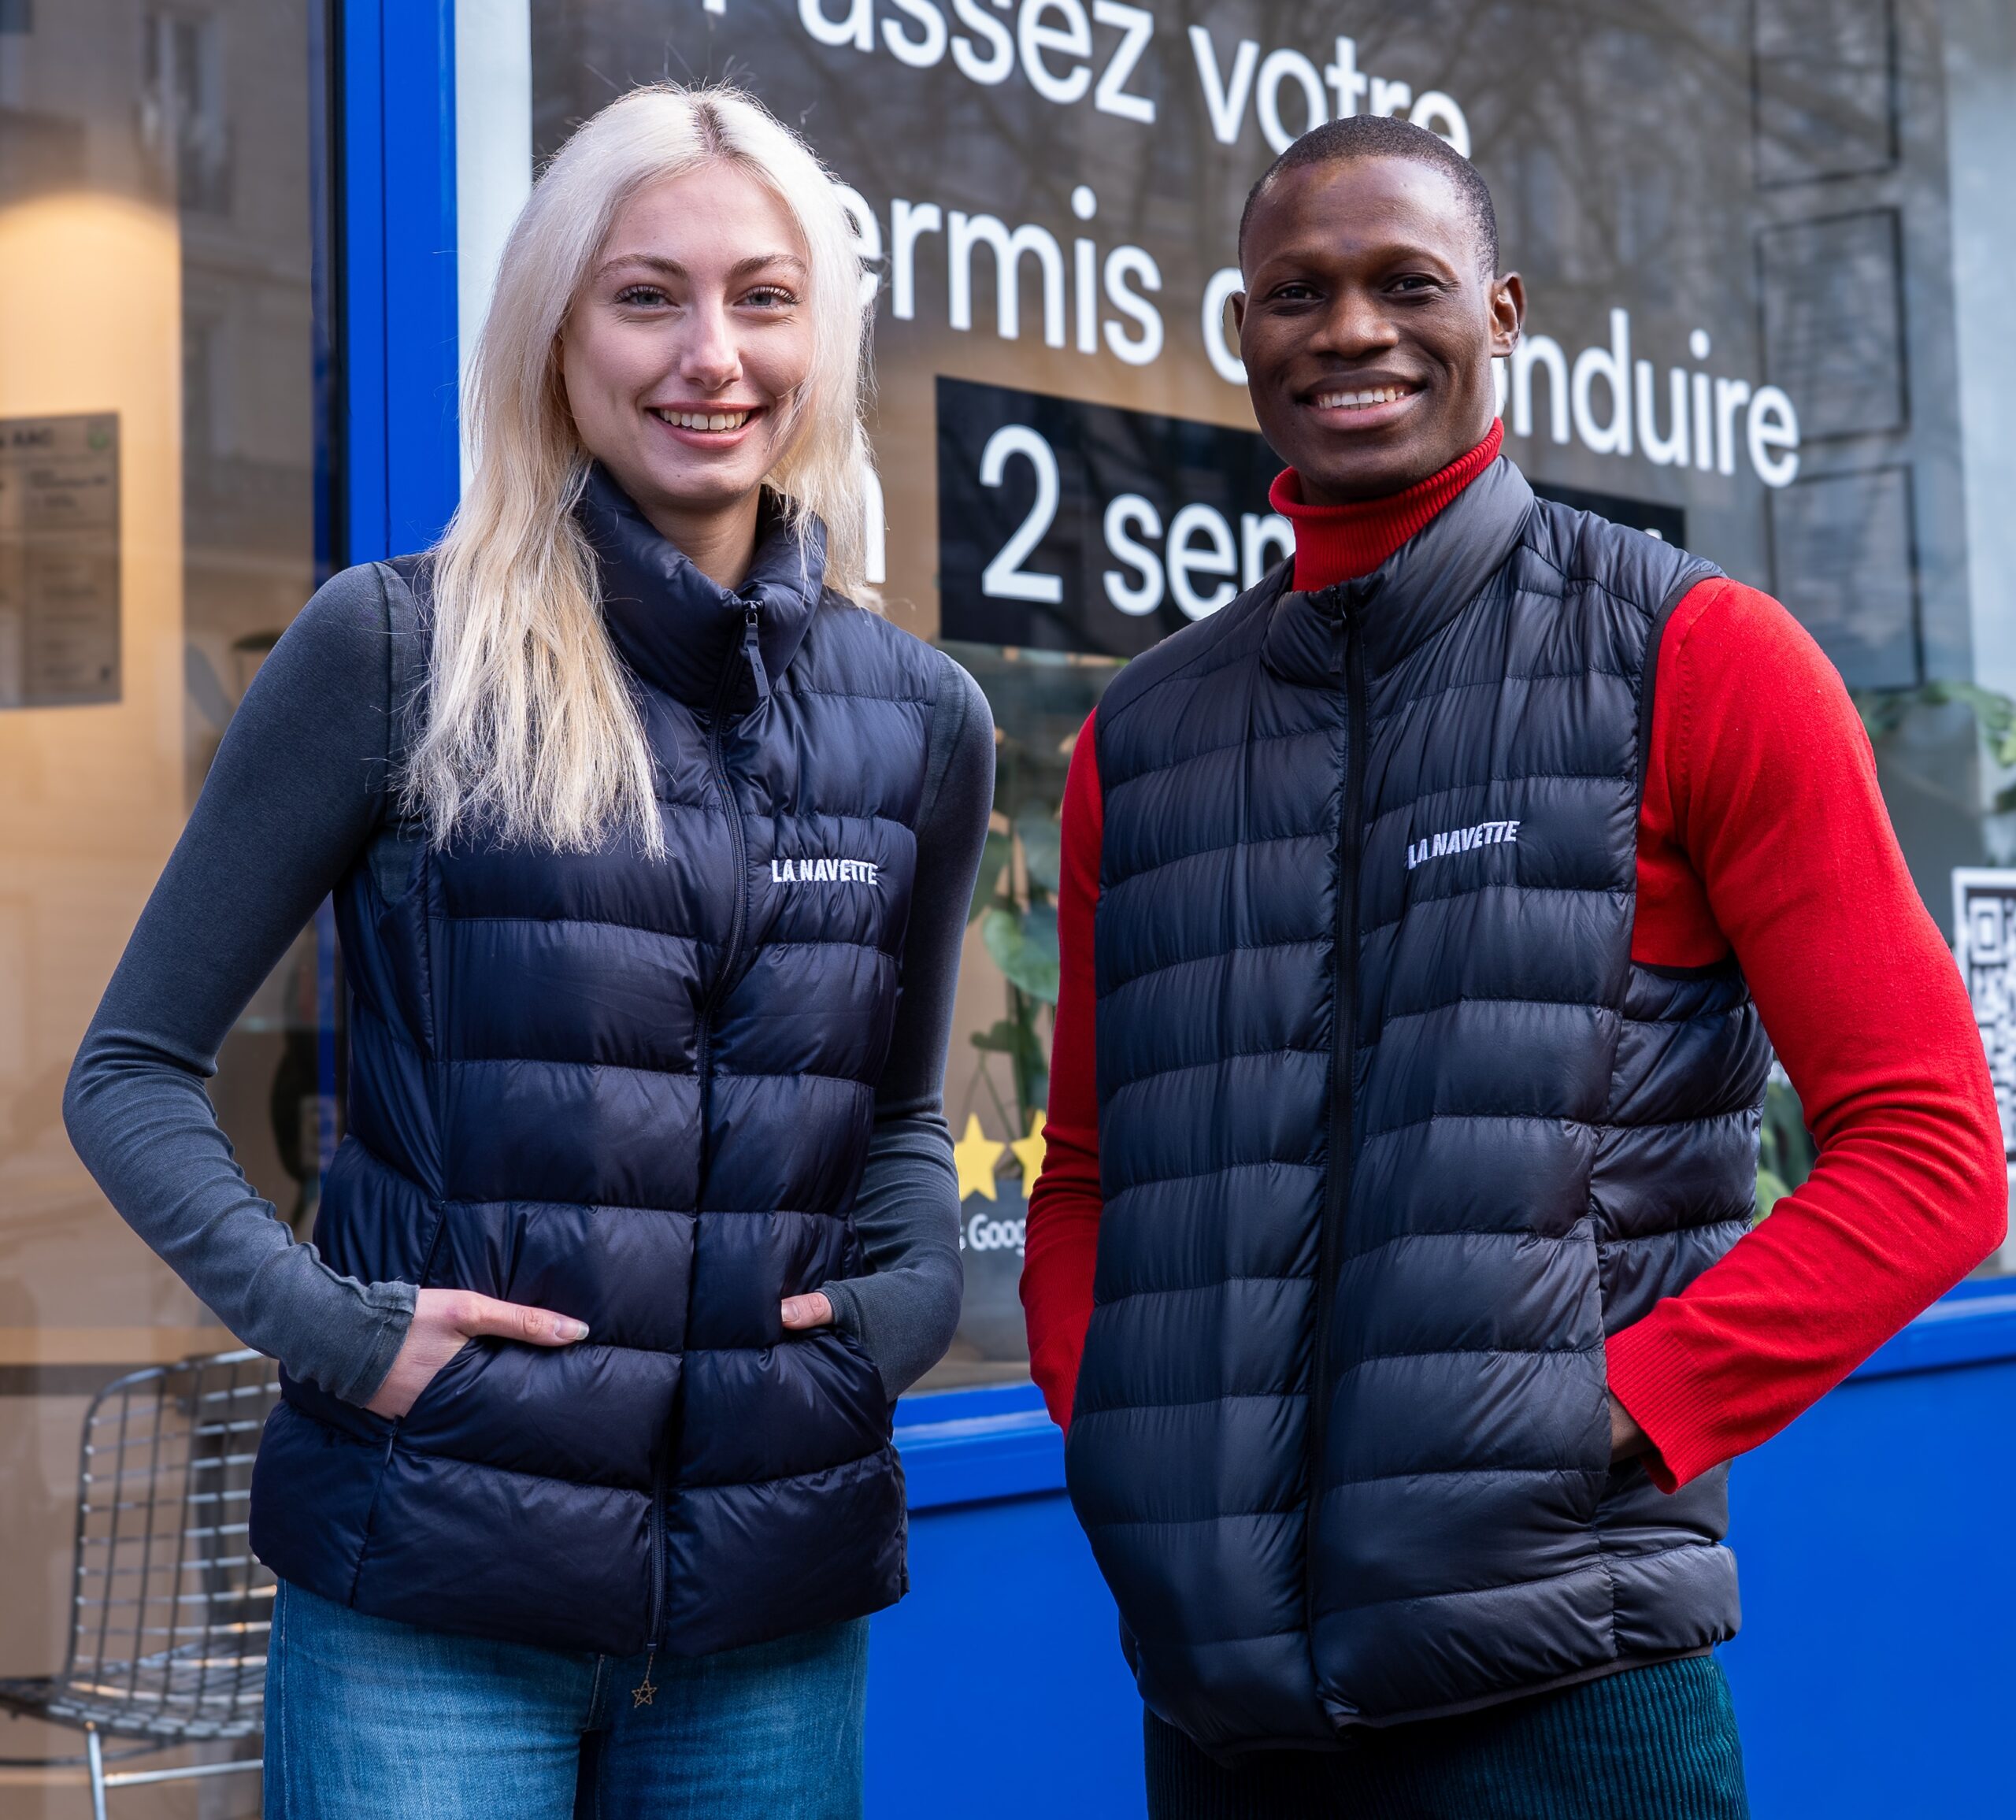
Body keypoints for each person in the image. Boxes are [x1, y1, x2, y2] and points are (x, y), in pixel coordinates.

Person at [1023, 113, 2006, 1818]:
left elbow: (1930, 1156)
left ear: (1500, 313)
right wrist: (1125, 1429)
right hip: (1216, 1711)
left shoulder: (1693, 658)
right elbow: (1091, 1175)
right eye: (1292, 293)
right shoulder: (1143, 736)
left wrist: (1615, 1417)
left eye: (1403, 283)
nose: (1346, 330)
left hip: (1567, 1695)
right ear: (1237, 331)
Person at [65, 84, 992, 1819]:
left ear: (823, 338)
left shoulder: (921, 718)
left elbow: (899, 1111)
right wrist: (342, 1334)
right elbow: (128, 1075)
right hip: (430, 1598)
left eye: (761, 297)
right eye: (646, 296)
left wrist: (905, 1308)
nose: (709, 354)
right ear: (553, 336)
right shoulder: (398, 651)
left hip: (768, 1612)